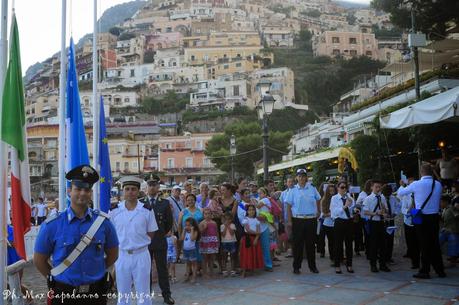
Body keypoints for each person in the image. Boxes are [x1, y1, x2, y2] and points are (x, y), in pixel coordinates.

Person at [34, 164, 119, 305]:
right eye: (78, 189)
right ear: (69, 191)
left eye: (86, 189)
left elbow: (113, 255)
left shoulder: (104, 224)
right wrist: (56, 276)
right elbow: (39, 260)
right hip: (64, 293)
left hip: (96, 294)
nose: (82, 193)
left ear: (91, 193)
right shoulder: (52, 225)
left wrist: (96, 271)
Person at [109, 176, 158, 305]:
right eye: (127, 189)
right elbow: (111, 233)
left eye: (133, 189)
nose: (130, 192)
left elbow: (151, 232)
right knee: (123, 293)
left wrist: (140, 242)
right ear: (123, 191)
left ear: (138, 191)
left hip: (141, 254)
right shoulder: (114, 211)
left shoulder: (146, 210)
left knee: (143, 293)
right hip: (122, 255)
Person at [398, 164, 446, 279]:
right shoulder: (438, 184)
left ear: (421, 172)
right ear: (431, 172)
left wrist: (402, 185)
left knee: (424, 244)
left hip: (420, 216)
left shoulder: (416, 184)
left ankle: (425, 270)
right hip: (434, 217)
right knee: (434, 243)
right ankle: (440, 270)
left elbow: (400, 193)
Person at [141, 175, 175, 305]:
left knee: (162, 270)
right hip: (145, 242)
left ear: (158, 187)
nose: (152, 187)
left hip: (160, 240)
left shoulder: (165, 203)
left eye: (154, 185)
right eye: (150, 185)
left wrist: (161, 234)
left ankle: (167, 295)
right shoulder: (141, 203)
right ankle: (146, 296)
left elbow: (169, 223)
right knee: (145, 270)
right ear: (147, 187)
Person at [286, 168, 321, 274]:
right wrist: (289, 220)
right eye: (299, 176)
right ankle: (296, 267)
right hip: (298, 220)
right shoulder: (293, 190)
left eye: (303, 176)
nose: (301, 178)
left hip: (311, 219)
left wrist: (318, 210)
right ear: (297, 177)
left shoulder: (312, 188)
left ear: (306, 177)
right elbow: (288, 205)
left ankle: (312, 267)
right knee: (297, 245)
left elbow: (318, 198)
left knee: (311, 244)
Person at [363, 180, 391, 273]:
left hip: (381, 222)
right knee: (373, 245)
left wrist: (385, 211)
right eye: (376, 187)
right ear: (372, 187)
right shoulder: (368, 199)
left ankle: (382, 264)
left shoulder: (382, 197)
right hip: (373, 223)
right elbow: (365, 211)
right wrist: (376, 213)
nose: (378, 189)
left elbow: (386, 209)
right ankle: (373, 265)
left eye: (379, 187)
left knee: (383, 245)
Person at [331, 181, 355, 274]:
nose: (344, 189)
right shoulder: (334, 198)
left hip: (349, 221)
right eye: (342, 187)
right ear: (338, 188)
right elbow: (334, 212)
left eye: (345, 187)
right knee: (338, 245)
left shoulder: (350, 198)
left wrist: (354, 208)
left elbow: (352, 209)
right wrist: (345, 206)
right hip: (339, 222)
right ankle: (337, 265)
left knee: (349, 245)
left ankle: (349, 265)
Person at [398, 178, 420, 269]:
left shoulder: (419, 194)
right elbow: (403, 209)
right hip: (408, 221)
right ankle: (415, 262)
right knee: (411, 242)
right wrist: (409, 210)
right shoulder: (406, 195)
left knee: (419, 241)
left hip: (418, 218)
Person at [240, 204, 264, 277]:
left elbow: (258, 230)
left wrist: (256, 239)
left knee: (253, 253)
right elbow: (248, 230)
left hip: (254, 239)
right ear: (247, 211)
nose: (251, 211)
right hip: (247, 239)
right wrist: (258, 233)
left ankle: (252, 268)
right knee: (246, 254)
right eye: (249, 210)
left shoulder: (257, 220)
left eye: (253, 210)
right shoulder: (245, 220)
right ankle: (244, 271)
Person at [256, 187, 274, 271]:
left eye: (261, 193)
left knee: (266, 247)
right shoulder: (258, 199)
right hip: (257, 225)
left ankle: (268, 265)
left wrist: (253, 202)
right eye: (258, 193)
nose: (259, 195)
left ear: (265, 194)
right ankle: (260, 263)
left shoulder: (265, 200)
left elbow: (258, 206)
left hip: (264, 226)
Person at [382, 184, 401, 263]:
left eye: (389, 195)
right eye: (386, 195)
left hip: (391, 220)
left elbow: (399, 206)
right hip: (383, 221)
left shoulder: (393, 198)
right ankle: (383, 257)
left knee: (390, 239)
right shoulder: (381, 198)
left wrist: (395, 213)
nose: (387, 197)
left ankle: (389, 257)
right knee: (384, 240)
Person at [199, 208, 220, 278]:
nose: (207, 215)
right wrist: (204, 228)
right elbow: (200, 233)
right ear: (203, 215)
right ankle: (205, 272)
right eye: (206, 214)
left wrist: (218, 241)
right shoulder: (202, 223)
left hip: (213, 241)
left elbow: (216, 233)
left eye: (209, 214)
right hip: (205, 242)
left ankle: (212, 272)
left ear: (211, 214)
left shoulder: (214, 223)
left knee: (212, 258)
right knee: (205, 258)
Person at [318, 183, 336, 261]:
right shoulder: (324, 200)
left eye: (333, 191)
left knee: (335, 241)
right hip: (327, 223)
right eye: (330, 191)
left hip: (337, 223)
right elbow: (323, 214)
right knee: (329, 241)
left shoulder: (337, 198)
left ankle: (336, 256)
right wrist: (332, 213)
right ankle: (331, 257)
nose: (332, 193)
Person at [439, 195, 459, 267]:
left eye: (441, 202)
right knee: (437, 242)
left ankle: (452, 262)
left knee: (453, 245)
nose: (440, 204)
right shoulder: (444, 209)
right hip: (446, 230)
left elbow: (457, 215)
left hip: (453, 231)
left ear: (446, 202)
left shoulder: (451, 208)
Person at [181, 218, 200, 283]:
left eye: (189, 225)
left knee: (194, 264)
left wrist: (192, 230)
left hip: (192, 250)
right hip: (185, 250)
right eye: (186, 225)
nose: (187, 227)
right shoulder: (185, 231)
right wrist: (184, 230)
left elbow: (192, 238)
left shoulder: (195, 231)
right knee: (188, 264)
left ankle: (194, 277)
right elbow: (182, 238)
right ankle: (187, 276)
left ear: (193, 226)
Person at [280, 177, 295, 257]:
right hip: (286, 218)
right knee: (289, 236)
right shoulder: (283, 193)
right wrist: (281, 217)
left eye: (292, 181)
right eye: (289, 181)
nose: (291, 183)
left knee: (296, 235)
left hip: (297, 218)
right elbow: (281, 206)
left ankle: (297, 251)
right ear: (286, 183)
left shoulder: (297, 192)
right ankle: (292, 251)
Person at [220, 212, 237, 276]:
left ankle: (233, 270)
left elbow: (232, 233)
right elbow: (223, 235)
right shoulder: (222, 226)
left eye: (229, 219)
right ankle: (224, 270)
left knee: (232, 256)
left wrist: (228, 226)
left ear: (231, 219)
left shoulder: (233, 225)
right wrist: (225, 226)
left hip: (232, 242)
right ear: (224, 220)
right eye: (226, 219)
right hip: (224, 242)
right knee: (224, 257)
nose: (227, 221)